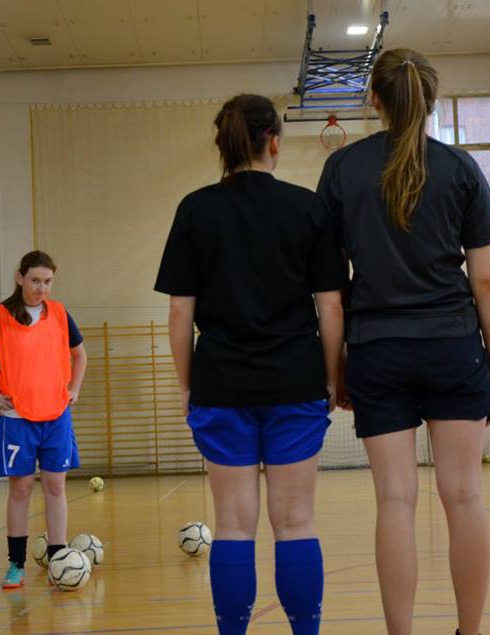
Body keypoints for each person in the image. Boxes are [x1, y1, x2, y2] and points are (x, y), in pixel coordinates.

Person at [317, 48, 490, 635]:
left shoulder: (342, 170)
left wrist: (335, 369)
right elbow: (486, 280)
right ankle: (469, 631)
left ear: (373, 99)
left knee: (395, 500)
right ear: (431, 100)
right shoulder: (460, 168)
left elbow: (330, 291)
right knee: (464, 496)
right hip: (453, 346)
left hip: (377, 350)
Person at [154, 94, 347, 635]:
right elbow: (331, 306)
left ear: (224, 145)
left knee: (234, 525)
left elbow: (179, 312)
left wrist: (188, 385)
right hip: (296, 382)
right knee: (296, 522)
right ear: (274, 142)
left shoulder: (195, 209)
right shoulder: (307, 208)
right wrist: (331, 377)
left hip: (221, 385)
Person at [0, 250, 87, 588]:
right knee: (22, 488)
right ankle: (16, 564)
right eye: (36, 280)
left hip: (56, 416)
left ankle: (58, 557)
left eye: (48, 281)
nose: (42, 288)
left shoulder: (59, 313)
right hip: (16, 418)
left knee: (55, 486)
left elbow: (80, 354)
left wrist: (74, 388)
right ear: (20, 278)